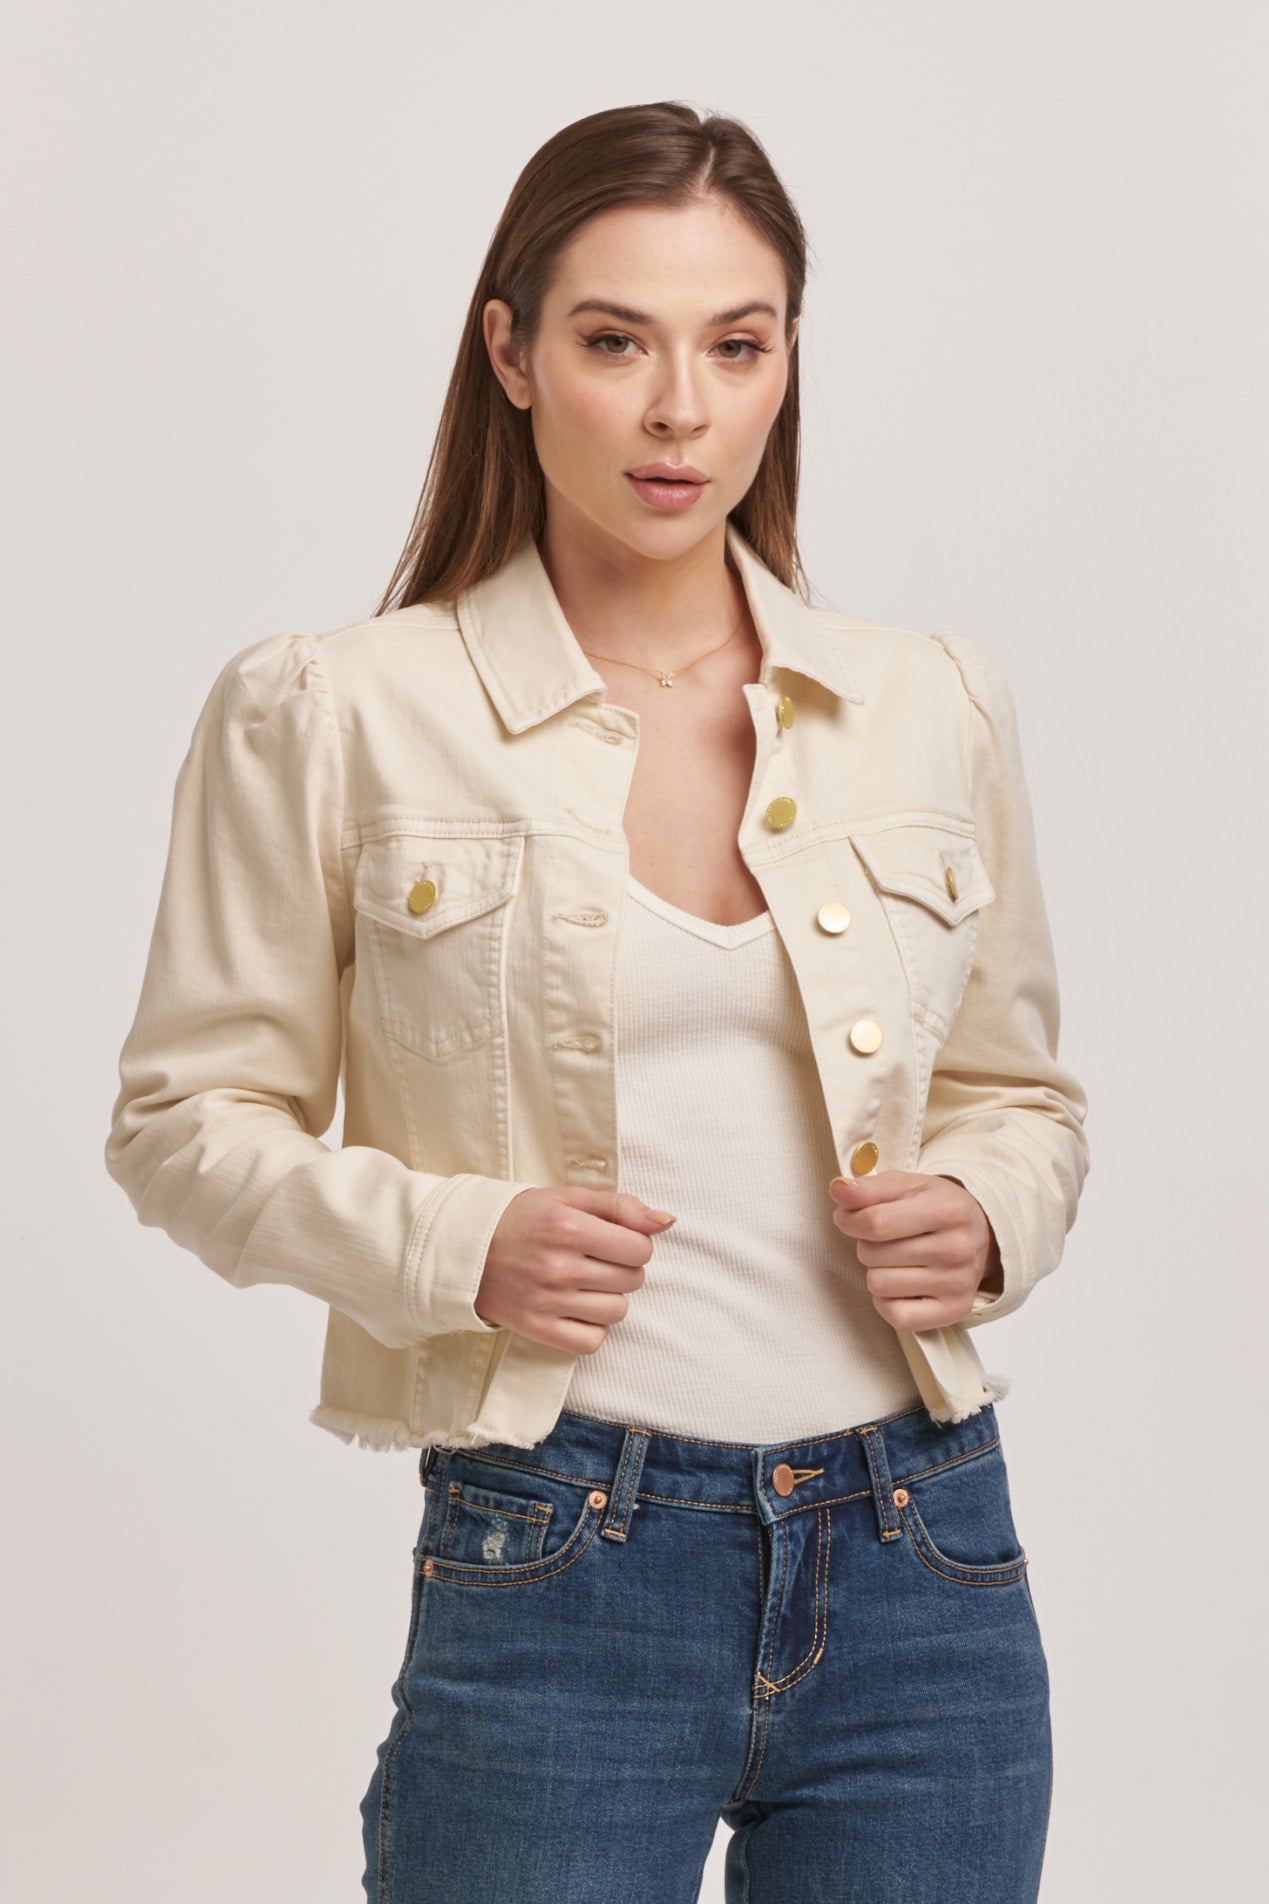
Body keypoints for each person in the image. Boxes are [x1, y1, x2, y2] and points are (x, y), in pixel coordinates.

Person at [105, 100, 1090, 1902]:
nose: (678, 410)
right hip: (562, 1549)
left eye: (738, 346)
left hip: (926, 1558)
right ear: (510, 353)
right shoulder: (334, 710)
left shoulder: (928, 704)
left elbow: (1018, 1095)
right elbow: (182, 1124)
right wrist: (455, 1244)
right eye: (616, 342)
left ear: (787, 361)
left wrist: (985, 1210)